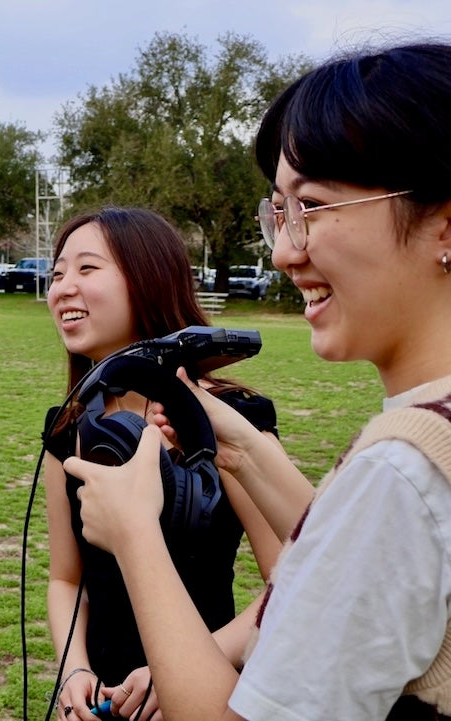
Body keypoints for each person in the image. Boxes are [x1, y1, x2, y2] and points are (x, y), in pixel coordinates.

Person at [65, 42, 451, 721]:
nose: (283, 250)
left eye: (314, 205)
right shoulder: (422, 442)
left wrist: (133, 534)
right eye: (279, 210)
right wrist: (242, 449)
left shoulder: (399, 474)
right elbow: (352, 567)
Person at [42, 207, 282, 720]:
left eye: (86, 269)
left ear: (149, 280)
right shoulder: (67, 426)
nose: (63, 287)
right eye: (57, 273)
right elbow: (65, 579)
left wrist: (195, 659)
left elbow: (289, 584)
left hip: (205, 692)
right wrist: (74, 669)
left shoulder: (232, 421)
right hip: (101, 702)